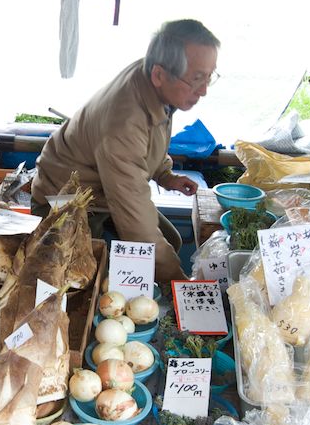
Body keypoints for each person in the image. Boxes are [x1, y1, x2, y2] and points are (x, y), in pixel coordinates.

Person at [32, 19, 220, 283]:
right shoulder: (124, 122)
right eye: (197, 79)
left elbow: (148, 139)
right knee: (90, 277)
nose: (204, 90)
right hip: (66, 199)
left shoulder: (158, 82)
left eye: (209, 76)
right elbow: (136, 225)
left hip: (101, 188)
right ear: (159, 75)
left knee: (172, 241)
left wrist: (165, 175)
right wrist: (178, 283)